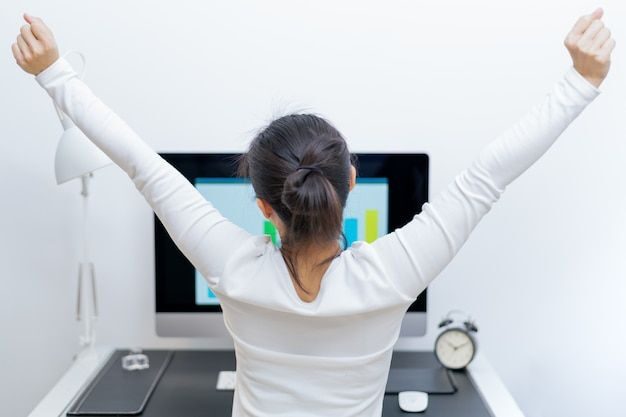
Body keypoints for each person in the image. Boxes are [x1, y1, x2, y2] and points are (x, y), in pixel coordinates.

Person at [12, 8, 614, 417]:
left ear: (262, 206)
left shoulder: (231, 267)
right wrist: (580, 83)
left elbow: (141, 165)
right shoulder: (393, 273)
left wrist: (54, 74)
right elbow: (488, 176)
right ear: (350, 182)